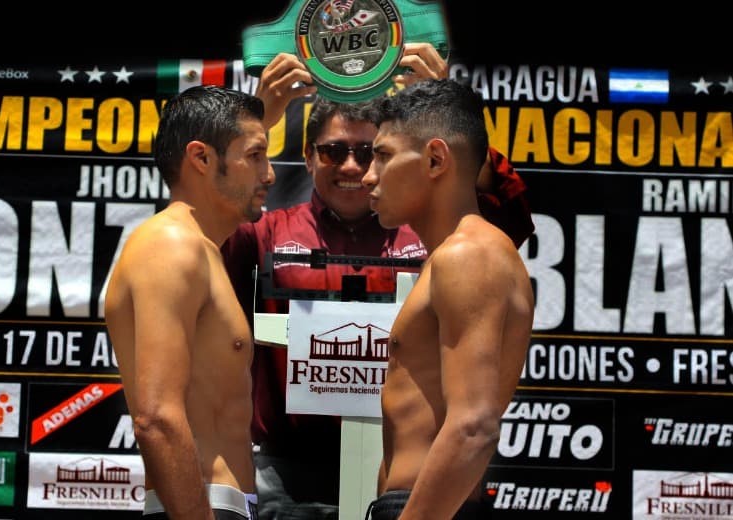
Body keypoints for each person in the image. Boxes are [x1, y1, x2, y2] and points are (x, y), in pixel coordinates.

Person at [221, 45, 534, 520]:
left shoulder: (452, 246)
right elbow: (203, 233)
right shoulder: (269, 231)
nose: (357, 170)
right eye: (334, 151)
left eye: (374, 153)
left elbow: (503, 213)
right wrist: (254, 125)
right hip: (288, 468)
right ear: (307, 158)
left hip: (420, 489)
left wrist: (439, 109)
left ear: (433, 160)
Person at [360, 78, 535, 519]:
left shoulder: (468, 254)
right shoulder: (451, 256)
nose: (367, 176)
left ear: (436, 159)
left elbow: (473, 427)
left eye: (382, 156)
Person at [104, 85, 275, 520]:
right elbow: (156, 418)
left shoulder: (202, 249)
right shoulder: (172, 245)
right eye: (255, 156)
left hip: (222, 504)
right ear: (201, 158)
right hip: (200, 505)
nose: (269, 174)